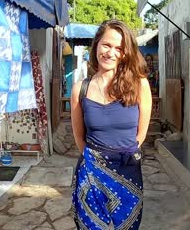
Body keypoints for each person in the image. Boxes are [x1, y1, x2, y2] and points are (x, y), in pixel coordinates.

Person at [71, 20, 152, 229]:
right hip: (90, 174)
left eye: (119, 48)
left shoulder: (139, 84)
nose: (111, 53)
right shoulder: (80, 89)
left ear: (126, 53)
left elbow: (141, 134)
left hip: (127, 171)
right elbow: (79, 137)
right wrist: (95, 162)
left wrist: (122, 156)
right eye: (106, 45)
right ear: (96, 44)